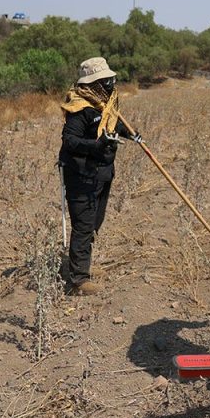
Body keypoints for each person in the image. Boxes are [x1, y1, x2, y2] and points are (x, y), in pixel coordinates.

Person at [57, 57, 140, 296]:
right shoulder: (79, 108)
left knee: (94, 222)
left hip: (102, 170)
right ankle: (78, 281)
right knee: (83, 224)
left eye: (111, 79)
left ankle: (82, 266)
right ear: (93, 83)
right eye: (106, 81)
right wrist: (98, 144)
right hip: (81, 173)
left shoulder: (106, 104)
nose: (111, 84)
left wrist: (130, 134)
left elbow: (113, 125)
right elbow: (70, 141)